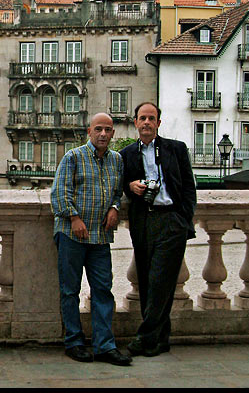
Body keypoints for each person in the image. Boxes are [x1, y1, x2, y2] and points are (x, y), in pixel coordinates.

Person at [50, 113, 132, 366]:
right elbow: (59, 193)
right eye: (99, 129)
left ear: (113, 133)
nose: (103, 134)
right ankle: (74, 342)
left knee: (103, 291)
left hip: (100, 237)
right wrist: (74, 218)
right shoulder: (72, 157)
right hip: (71, 236)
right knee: (70, 291)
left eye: (108, 130)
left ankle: (105, 346)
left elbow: (118, 192)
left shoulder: (116, 160)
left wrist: (115, 208)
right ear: (89, 131)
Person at [119, 102, 197, 357]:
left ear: (158, 124)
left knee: (160, 281)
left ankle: (143, 338)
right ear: (135, 123)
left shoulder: (176, 149)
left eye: (151, 118)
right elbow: (120, 184)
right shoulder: (127, 154)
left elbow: (188, 187)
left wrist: (183, 219)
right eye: (142, 118)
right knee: (145, 280)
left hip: (170, 221)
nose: (147, 123)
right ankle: (161, 340)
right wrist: (131, 186)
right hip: (143, 222)